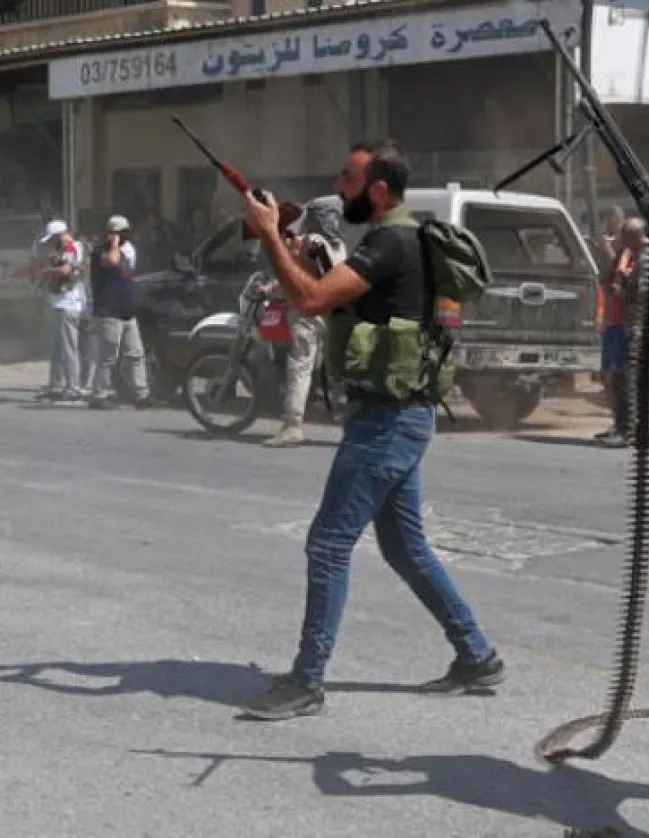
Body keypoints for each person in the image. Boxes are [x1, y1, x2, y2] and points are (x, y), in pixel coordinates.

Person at [237, 140, 504, 721]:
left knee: (328, 543)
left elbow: (307, 300)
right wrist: (284, 242)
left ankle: (307, 681)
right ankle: (477, 655)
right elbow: (327, 294)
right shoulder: (399, 239)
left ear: (378, 188)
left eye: (348, 178)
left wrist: (265, 235)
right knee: (405, 547)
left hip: (388, 419)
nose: (338, 187)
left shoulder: (388, 241)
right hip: (398, 413)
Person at [265, 196, 349, 448]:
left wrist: (272, 289)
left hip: (307, 314)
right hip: (333, 315)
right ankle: (351, 426)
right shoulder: (339, 246)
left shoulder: (307, 243)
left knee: (300, 367)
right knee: (335, 371)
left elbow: (293, 277)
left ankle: (292, 425)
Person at [86, 215, 152, 410]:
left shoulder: (128, 250)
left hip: (127, 311)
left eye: (124, 233)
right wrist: (113, 242)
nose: (122, 237)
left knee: (136, 354)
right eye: (117, 233)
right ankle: (99, 395)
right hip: (108, 311)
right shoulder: (101, 252)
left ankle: (141, 394)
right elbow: (112, 261)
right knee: (108, 356)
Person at [594, 216, 648, 448]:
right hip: (629, 325)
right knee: (621, 378)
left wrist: (622, 290)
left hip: (637, 326)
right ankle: (622, 426)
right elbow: (606, 278)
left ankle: (628, 431)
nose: (622, 240)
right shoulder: (631, 256)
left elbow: (644, 294)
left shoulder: (646, 259)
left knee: (628, 380)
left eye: (626, 236)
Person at [34, 219, 87, 402]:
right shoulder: (65, 249)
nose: (52, 242)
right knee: (58, 347)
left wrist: (47, 271)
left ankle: (73, 386)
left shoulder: (72, 248)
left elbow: (65, 270)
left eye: (54, 238)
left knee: (68, 348)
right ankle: (56, 385)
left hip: (68, 303)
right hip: (60, 302)